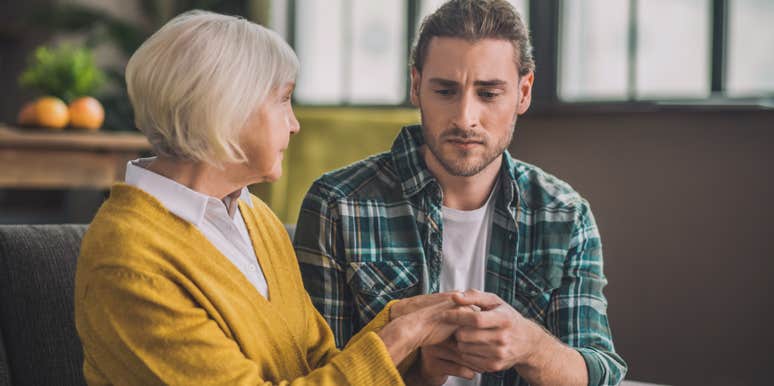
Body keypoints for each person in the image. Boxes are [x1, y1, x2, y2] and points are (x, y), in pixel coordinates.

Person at [74, 10, 470, 385]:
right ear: (226, 108)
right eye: (283, 100)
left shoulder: (255, 217)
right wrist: (397, 339)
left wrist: (412, 354)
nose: (295, 125)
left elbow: (316, 365)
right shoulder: (128, 261)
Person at [294, 1, 628, 385]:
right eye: (446, 91)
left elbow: (601, 375)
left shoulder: (565, 216)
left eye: (488, 94)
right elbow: (317, 375)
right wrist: (420, 372)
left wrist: (531, 347)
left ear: (523, 92)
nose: (465, 117)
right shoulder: (337, 206)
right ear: (416, 86)